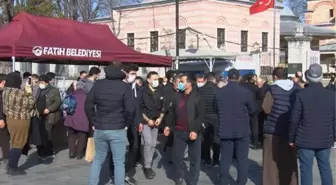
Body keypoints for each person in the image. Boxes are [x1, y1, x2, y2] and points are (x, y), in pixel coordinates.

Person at [86, 64, 134, 185]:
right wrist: (126, 123)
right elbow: (130, 109)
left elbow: (88, 106)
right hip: (118, 128)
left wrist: (93, 121)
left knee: (98, 159)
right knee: (119, 162)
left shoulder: (98, 85)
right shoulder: (124, 87)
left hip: (100, 127)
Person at [289, 64, 336, 185]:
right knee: (325, 168)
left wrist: (291, 138)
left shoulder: (301, 95)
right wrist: (334, 137)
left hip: (305, 139)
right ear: (321, 77)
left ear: (308, 77)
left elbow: (295, 119)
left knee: (306, 170)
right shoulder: (332, 95)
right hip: (325, 138)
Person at [216, 68, 256, 185]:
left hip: (225, 128)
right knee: (242, 159)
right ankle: (241, 182)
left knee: (225, 158)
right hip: (242, 129)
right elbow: (253, 110)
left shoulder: (220, 92)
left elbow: (215, 109)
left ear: (228, 78)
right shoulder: (245, 92)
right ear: (238, 78)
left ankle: (223, 181)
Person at [164, 74, 205, 185]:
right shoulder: (177, 96)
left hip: (193, 132)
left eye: (182, 81)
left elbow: (200, 116)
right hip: (179, 131)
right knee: (176, 156)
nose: (179, 84)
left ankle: (193, 180)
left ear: (189, 83)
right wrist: (168, 125)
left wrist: (195, 130)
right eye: (179, 82)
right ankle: (180, 175)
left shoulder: (197, 97)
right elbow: (172, 113)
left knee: (195, 159)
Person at [262, 67, 299, 185]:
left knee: (271, 161)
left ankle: (271, 182)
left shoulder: (271, 90)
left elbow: (266, 109)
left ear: (274, 77)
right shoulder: (296, 89)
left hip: (273, 130)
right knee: (289, 160)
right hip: (290, 130)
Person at [110, 64, 142, 185]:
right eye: (132, 73)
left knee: (134, 148)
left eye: (135, 74)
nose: (134, 76)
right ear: (125, 73)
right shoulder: (119, 86)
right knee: (118, 150)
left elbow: (138, 106)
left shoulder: (137, 88)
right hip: (120, 122)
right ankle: (116, 174)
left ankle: (127, 172)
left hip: (133, 122)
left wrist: (139, 121)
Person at [2, 72, 35, 175]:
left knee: (14, 141)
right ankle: (12, 168)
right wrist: (29, 91)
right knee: (18, 143)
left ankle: (10, 165)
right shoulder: (19, 93)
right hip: (20, 120)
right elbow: (30, 104)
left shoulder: (5, 91)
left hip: (10, 119)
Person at [139, 71, 165, 179]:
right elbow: (139, 108)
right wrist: (147, 119)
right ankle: (147, 166)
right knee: (148, 143)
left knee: (153, 144)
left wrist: (160, 118)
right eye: (154, 79)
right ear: (148, 80)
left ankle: (147, 162)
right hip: (146, 121)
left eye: (157, 79)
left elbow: (164, 106)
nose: (156, 81)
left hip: (156, 121)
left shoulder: (161, 90)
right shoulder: (143, 91)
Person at [35, 75, 62, 160]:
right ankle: (40, 150)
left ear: (46, 83)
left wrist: (49, 109)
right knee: (39, 133)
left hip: (49, 116)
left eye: (42, 83)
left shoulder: (54, 90)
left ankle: (48, 151)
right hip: (39, 115)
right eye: (39, 82)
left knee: (47, 134)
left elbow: (58, 102)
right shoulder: (38, 90)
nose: (40, 84)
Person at [198, 72, 220, 167]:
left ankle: (207, 159)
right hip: (216, 117)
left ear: (206, 79)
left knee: (205, 139)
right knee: (216, 138)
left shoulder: (200, 90)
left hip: (204, 118)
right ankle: (216, 160)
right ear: (214, 79)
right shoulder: (218, 90)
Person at [64, 80, 89, 160]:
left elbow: (65, 107)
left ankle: (71, 152)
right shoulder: (87, 96)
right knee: (82, 136)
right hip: (83, 119)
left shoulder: (70, 95)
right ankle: (79, 154)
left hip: (71, 119)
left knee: (71, 136)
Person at [241, 73, 260, 149]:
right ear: (252, 78)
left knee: (244, 125)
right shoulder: (255, 87)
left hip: (244, 108)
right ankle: (255, 143)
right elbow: (259, 96)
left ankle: (244, 142)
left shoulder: (242, 86)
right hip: (254, 108)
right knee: (254, 126)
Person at [0, 74, 9, 166]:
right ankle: (6, 157)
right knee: (4, 138)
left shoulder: (3, 91)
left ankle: (6, 156)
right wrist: (1, 118)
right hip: (1, 119)